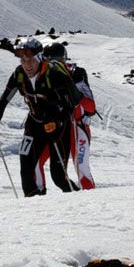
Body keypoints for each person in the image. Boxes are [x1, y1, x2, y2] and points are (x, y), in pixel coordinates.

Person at [0, 37, 77, 195]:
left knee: (59, 177)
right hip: (34, 124)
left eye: (30, 60)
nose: (27, 65)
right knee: (26, 168)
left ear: (40, 58)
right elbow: (3, 100)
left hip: (58, 127)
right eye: (23, 60)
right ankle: (34, 210)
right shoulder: (19, 74)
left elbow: (73, 102)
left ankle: (80, 202)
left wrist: (57, 121)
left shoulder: (54, 73)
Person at [45, 41, 97, 190]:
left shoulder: (75, 73)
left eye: (57, 61)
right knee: (54, 171)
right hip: (59, 127)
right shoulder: (44, 76)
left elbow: (91, 106)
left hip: (78, 126)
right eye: (49, 61)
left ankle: (91, 203)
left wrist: (74, 92)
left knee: (82, 169)